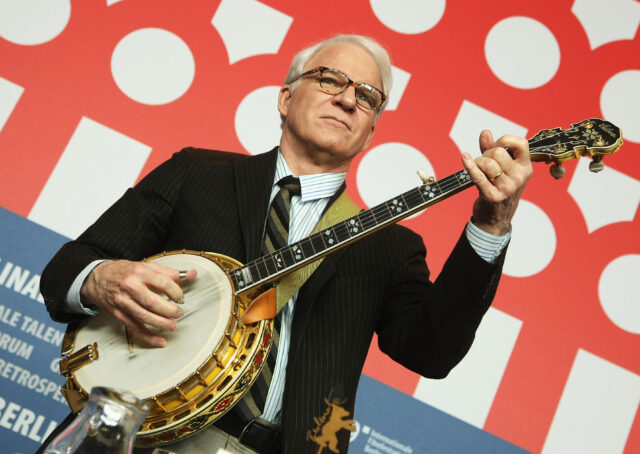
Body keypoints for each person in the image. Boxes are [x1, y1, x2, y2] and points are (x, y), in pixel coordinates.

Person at [39, 34, 532, 454]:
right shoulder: (197, 173)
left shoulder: (390, 247)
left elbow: (432, 353)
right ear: (284, 96)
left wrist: (491, 226)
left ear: (372, 129)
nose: (346, 99)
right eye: (330, 79)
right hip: (134, 431)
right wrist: (102, 279)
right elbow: (65, 270)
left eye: (366, 96)